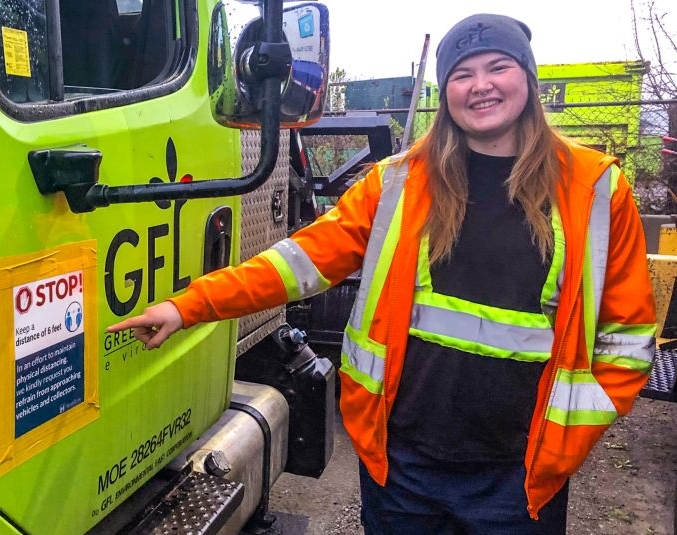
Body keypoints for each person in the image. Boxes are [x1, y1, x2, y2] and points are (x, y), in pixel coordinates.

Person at [108, 13, 656, 534]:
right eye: (462, 74)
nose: (480, 86)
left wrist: (571, 442)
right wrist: (188, 305)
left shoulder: (594, 191)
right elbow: (300, 262)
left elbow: (627, 339)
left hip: (517, 478)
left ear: (528, 80)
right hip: (402, 466)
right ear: (446, 94)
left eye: (498, 68)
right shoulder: (399, 182)